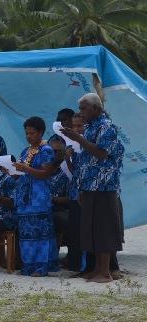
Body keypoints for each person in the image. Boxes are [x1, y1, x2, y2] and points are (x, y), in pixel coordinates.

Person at [61, 93, 124, 283]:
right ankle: (96, 268)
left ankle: (105, 271)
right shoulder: (89, 128)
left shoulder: (107, 127)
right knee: (91, 229)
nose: (81, 112)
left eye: (83, 109)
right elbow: (85, 160)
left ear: (95, 109)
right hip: (88, 186)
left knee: (104, 227)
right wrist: (79, 186)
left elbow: (101, 153)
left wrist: (78, 139)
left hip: (104, 186)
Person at [11, 117, 57, 277]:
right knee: (26, 234)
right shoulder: (25, 151)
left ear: (41, 133)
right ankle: (28, 266)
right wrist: (12, 172)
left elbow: (46, 173)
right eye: (27, 133)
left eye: (32, 133)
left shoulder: (47, 150)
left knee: (40, 234)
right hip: (24, 199)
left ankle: (41, 267)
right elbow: (22, 174)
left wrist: (25, 168)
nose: (29, 136)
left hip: (39, 199)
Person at [62, 114, 86, 271]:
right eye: (74, 126)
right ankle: (74, 262)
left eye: (79, 126)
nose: (77, 129)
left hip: (87, 193)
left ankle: (86, 264)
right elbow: (74, 170)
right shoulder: (72, 144)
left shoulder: (88, 143)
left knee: (86, 228)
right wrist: (68, 158)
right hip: (74, 192)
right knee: (74, 228)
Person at [47, 136, 71, 251]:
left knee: (55, 218)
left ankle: (52, 257)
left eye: (59, 151)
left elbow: (72, 198)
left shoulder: (68, 171)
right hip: (40, 208)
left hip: (60, 209)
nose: (55, 154)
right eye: (52, 151)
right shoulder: (40, 169)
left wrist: (53, 199)